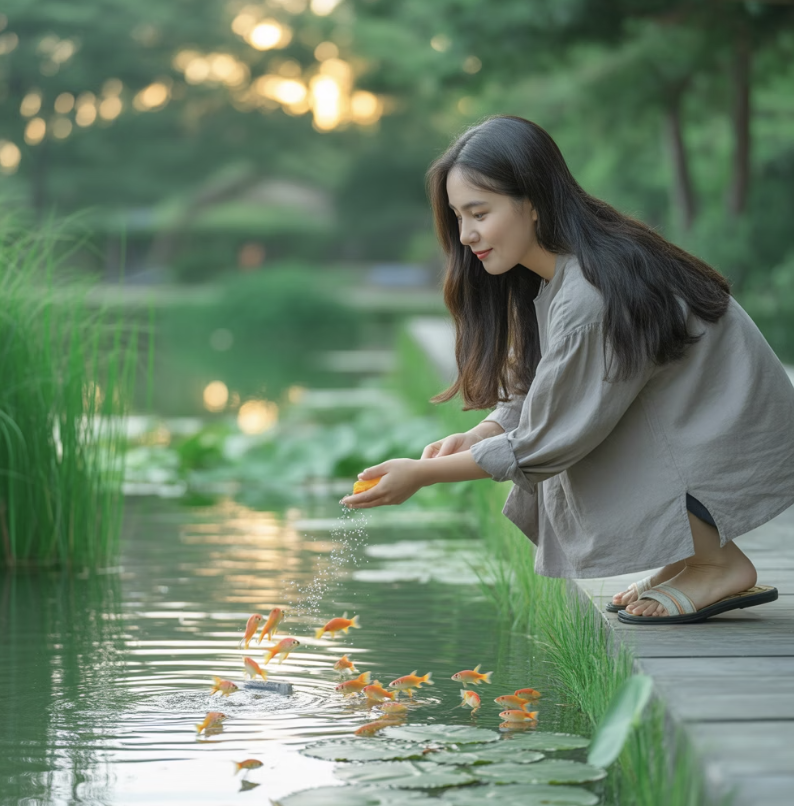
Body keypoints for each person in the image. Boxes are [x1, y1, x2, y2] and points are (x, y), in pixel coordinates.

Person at [340, 115, 794, 625]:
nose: (466, 235)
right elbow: (545, 381)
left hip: (732, 435)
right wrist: (485, 429)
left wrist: (422, 474)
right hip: (707, 426)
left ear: (532, 203)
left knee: (575, 442)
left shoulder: (589, 293)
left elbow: (550, 439)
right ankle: (692, 553)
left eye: (479, 213)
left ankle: (718, 563)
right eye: (457, 217)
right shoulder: (565, 271)